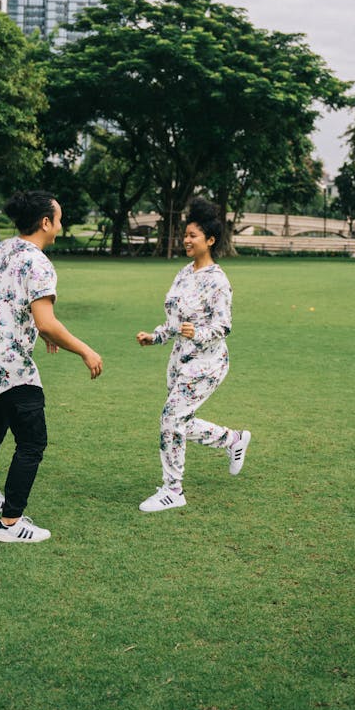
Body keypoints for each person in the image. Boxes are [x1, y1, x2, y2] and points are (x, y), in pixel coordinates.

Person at [0, 190, 103, 543]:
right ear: (45, 222)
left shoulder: (1, 249)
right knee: (33, 442)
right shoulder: (38, 262)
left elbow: (13, 304)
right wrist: (85, 351)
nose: (61, 227)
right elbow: (46, 321)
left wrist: (41, 329)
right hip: (9, 366)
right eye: (59, 219)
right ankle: (9, 524)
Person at [136, 197, 250, 512]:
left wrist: (198, 333)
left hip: (207, 362)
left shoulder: (218, 281)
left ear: (210, 241)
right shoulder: (184, 273)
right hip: (180, 360)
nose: (186, 240)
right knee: (180, 420)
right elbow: (174, 319)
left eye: (193, 236)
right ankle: (232, 439)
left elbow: (223, 326)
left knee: (170, 420)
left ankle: (173, 490)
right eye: (185, 235)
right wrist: (155, 336)